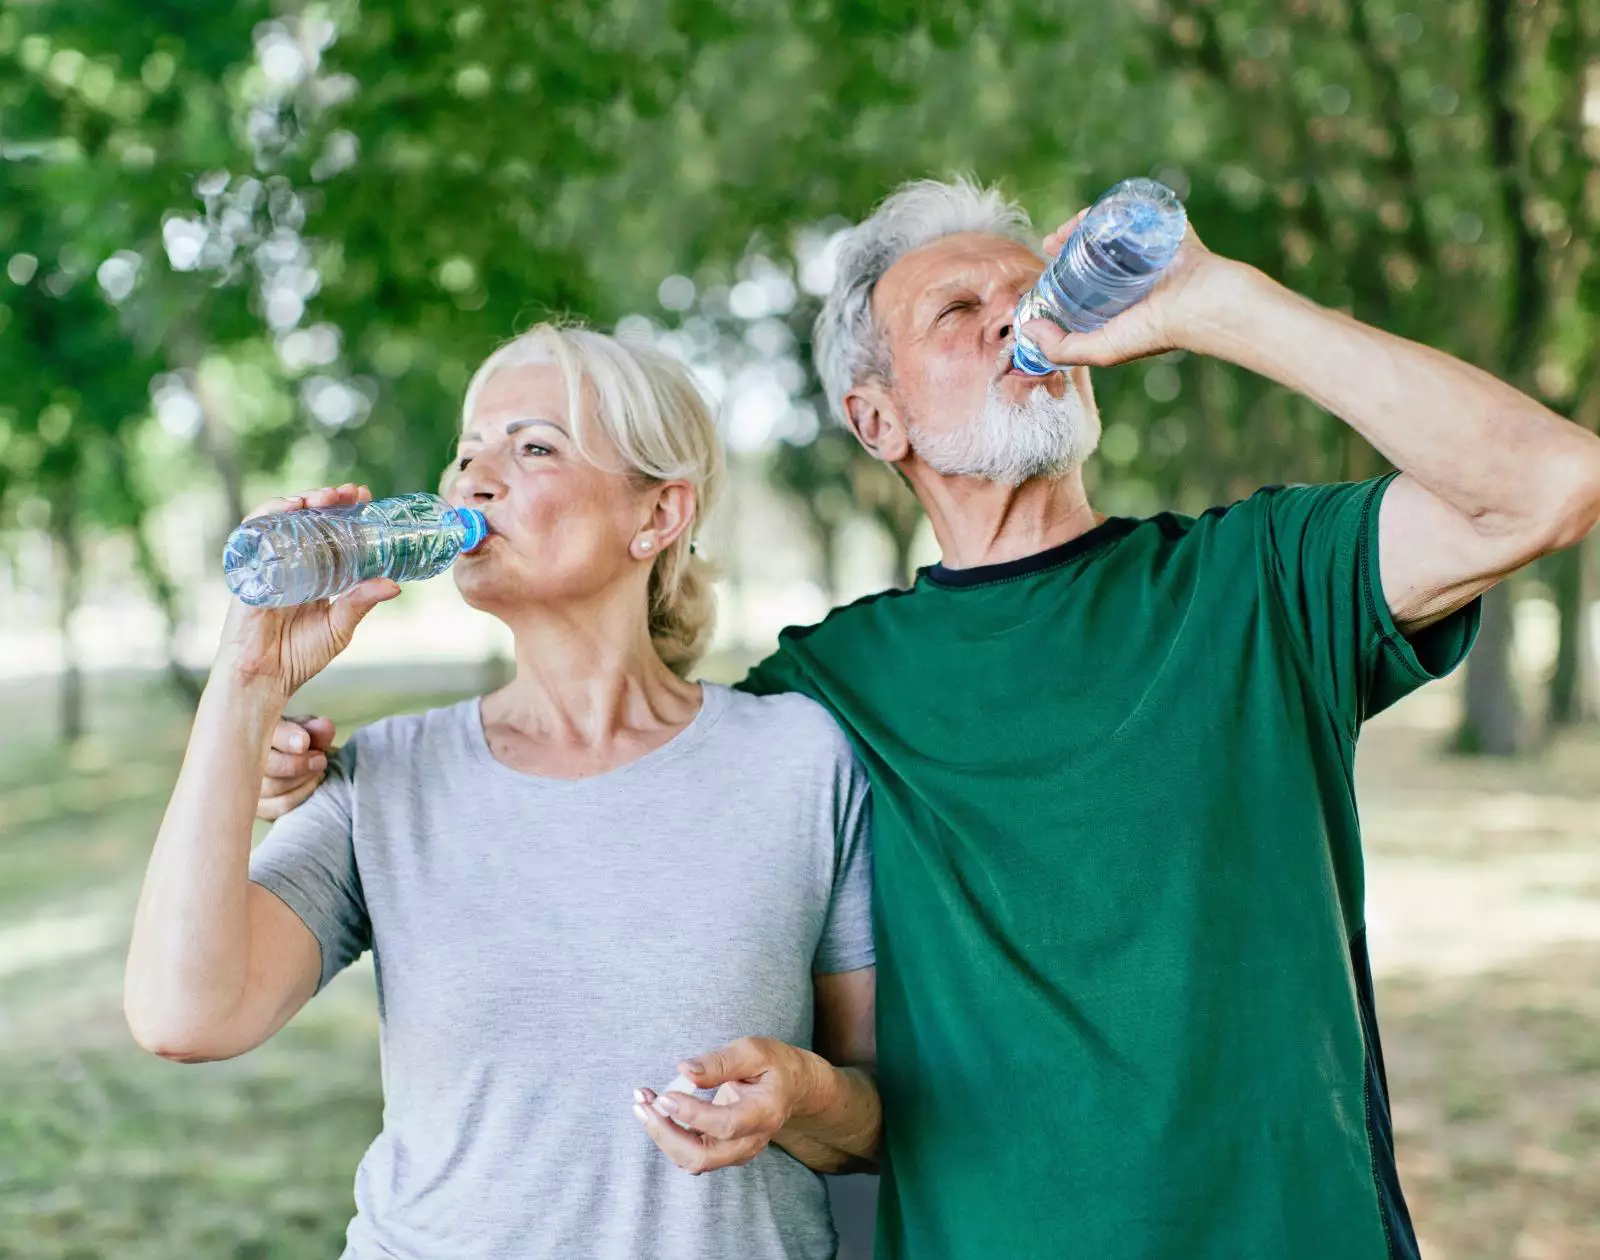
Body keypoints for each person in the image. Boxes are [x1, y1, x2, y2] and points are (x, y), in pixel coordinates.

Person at [257, 178, 1600, 1260]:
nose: (1016, 320)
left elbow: (1541, 485)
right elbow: (605, 776)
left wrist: (1218, 301)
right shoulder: (823, 700)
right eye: (958, 308)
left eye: (1028, 293)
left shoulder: (1257, 585)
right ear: (875, 415)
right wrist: (296, 769)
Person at [124, 323, 882, 1260]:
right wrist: (247, 685)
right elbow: (182, 1016)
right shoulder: (388, 779)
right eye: (465, 453)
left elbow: (876, 1122)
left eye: (532, 447)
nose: (472, 481)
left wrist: (801, 1093)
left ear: (658, 515)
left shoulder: (799, 760)